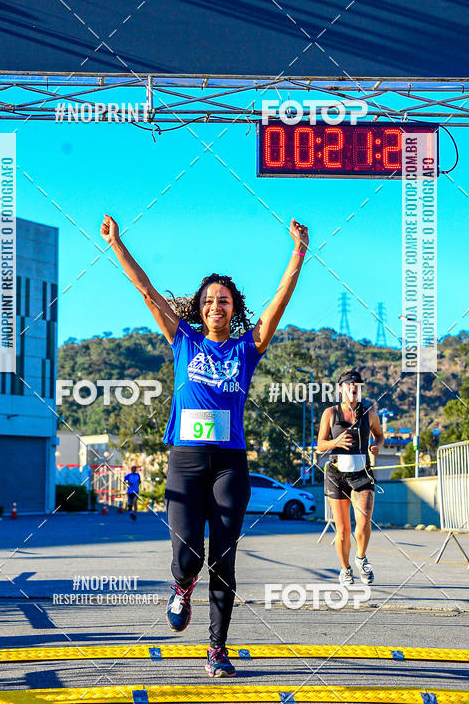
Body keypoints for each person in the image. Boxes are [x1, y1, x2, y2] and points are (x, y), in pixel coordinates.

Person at [100, 213, 308, 678]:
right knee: (187, 550)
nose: (217, 305)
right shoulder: (183, 340)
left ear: (234, 308)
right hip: (187, 460)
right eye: (210, 299)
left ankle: (217, 648)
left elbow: (278, 302)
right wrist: (117, 244)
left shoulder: (248, 348)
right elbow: (146, 289)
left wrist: (298, 252)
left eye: (225, 300)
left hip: (230, 463)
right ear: (200, 306)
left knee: (224, 558)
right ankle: (181, 585)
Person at [316, 369, 384, 586]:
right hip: (337, 474)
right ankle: (345, 569)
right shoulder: (330, 413)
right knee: (343, 529)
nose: (353, 389)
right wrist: (335, 443)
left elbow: (379, 434)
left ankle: (361, 558)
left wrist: (377, 445)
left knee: (364, 521)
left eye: (357, 386)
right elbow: (319, 446)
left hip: (362, 473)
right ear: (340, 389)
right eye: (349, 385)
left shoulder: (370, 414)